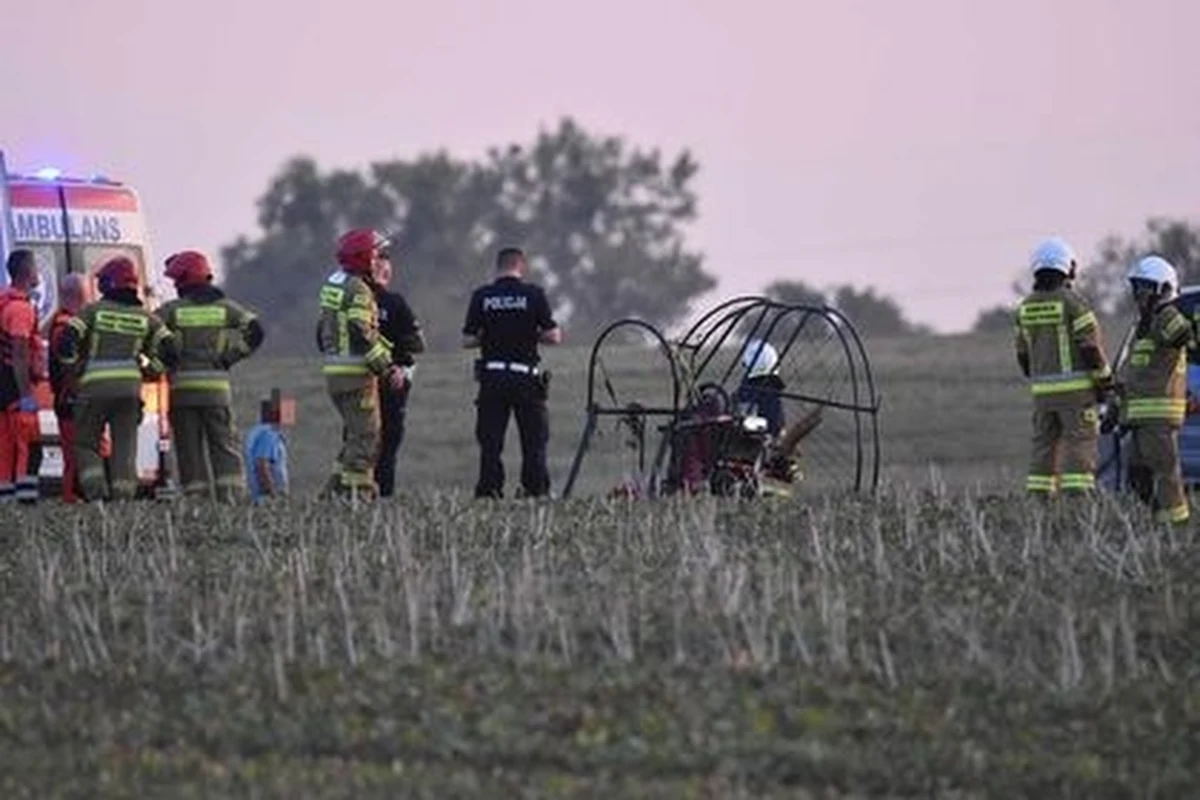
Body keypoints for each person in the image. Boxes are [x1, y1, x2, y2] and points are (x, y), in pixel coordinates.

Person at [55, 256, 176, 501]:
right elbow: (170, 350)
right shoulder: (147, 317)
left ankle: (96, 495)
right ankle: (123, 499)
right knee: (125, 448)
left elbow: (67, 340)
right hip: (130, 390)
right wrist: (150, 370)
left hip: (93, 390)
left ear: (109, 284)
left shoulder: (93, 311)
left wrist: (72, 373)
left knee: (86, 443)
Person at [158, 250, 265, 502]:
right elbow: (256, 331)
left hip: (182, 392)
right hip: (216, 391)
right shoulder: (226, 308)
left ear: (184, 280)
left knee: (189, 449)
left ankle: (197, 499)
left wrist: (165, 360)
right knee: (224, 445)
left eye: (176, 280)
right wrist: (231, 356)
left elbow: (152, 333)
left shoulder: (171, 310)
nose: (174, 285)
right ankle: (232, 497)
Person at [1014, 237, 1112, 496]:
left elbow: (1023, 355)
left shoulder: (1025, 307)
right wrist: (1105, 381)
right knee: (1079, 445)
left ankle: (1038, 502)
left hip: (1042, 396)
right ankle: (1077, 504)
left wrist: (1040, 377)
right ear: (1067, 268)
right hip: (1077, 395)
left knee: (1043, 448)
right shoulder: (1073, 304)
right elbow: (1090, 347)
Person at [462, 246, 562, 499]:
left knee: (491, 441)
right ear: (521, 266)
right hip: (526, 378)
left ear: (498, 267)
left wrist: (491, 335)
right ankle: (534, 490)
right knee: (534, 440)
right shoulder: (533, 295)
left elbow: (467, 340)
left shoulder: (482, 296)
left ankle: (490, 491)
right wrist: (530, 333)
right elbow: (553, 336)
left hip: (492, 377)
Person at [316, 228, 405, 499]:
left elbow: (325, 328)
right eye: (378, 254)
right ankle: (359, 494)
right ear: (365, 258)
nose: (381, 261)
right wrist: (387, 368)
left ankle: (332, 493)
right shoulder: (359, 290)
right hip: (356, 375)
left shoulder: (334, 283)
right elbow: (361, 330)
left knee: (354, 437)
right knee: (367, 438)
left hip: (336, 373)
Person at [1118, 255, 1195, 525]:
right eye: (1136, 288)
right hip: (1140, 418)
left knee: (1166, 475)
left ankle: (1178, 528)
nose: (1139, 295)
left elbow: (1183, 336)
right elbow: (1134, 374)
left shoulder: (1165, 316)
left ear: (1162, 290)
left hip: (1158, 418)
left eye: (1145, 288)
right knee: (1138, 476)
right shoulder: (1144, 327)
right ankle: (1161, 522)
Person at [371, 254, 425, 498]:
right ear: (385, 274)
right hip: (392, 381)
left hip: (357, 381)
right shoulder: (395, 303)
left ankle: (355, 494)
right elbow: (418, 343)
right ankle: (384, 495)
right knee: (389, 444)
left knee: (357, 441)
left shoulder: (351, 302)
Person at [0, 249, 45, 504]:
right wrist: (26, 394)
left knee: (5, 451)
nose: (38, 271)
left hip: (3, 388)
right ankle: (25, 506)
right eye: (36, 266)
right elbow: (19, 353)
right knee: (28, 449)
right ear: (27, 271)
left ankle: (7, 507)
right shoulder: (20, 309)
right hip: (15, 391)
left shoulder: (5, 302)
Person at [48, 273, 91, 503]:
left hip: (74, 397)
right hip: (71, 398)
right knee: (76, 456)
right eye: (87, 295)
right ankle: (73, 499)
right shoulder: (64, 327)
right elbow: (68, 365)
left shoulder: (63, 323)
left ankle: (78, 496)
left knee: (79, 453)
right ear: (79, 295)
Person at [244, 398, 289, 502]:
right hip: (266, 498)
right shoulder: (268, 434)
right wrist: (273, 494)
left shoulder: (258, 431)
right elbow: (262, 464)